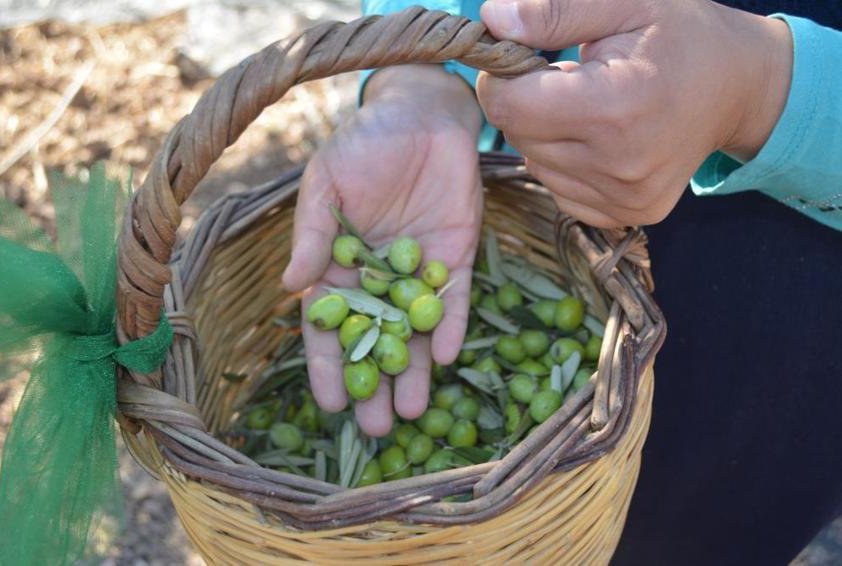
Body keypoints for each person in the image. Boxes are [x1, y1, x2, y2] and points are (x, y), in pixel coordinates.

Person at [283, 0, 842, 562]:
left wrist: (767, 89)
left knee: (694, 531)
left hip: (788, 332)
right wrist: (425, 70)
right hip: (563, 195)